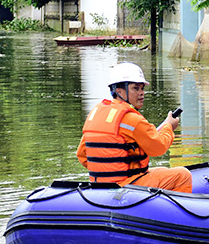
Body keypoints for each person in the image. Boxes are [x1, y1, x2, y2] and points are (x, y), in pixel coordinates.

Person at [75, 62, 193, 192]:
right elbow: (158, 148)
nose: (141, 93)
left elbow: (82, 155)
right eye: (135, 88)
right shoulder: (132, 119)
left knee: (163, 171)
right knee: (183, 175)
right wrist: (169, 127)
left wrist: (109, 171)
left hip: (101, 185)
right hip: (125, 186)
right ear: (118, 91)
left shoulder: (95, 114)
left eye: (142, 88)